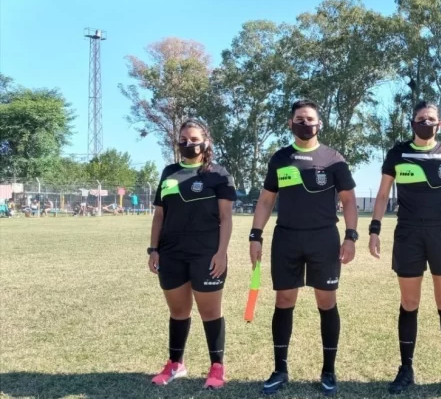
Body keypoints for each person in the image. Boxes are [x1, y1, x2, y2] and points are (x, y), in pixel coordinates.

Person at [250, 100, 358, 396]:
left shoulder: (333, 159)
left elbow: (348, 200)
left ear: (319, 123)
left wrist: (350, 236)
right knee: (284, 301)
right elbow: (265, 200)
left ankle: (328, 371)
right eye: (299, 119)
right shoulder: (280, 158)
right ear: (290, 123)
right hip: (287, 238)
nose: (305, 123)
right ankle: (280, 369)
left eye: (310, 119)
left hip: (324, 239)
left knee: (326, 303)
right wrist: (255, 236)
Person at [368, 101, 441, 397]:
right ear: (412, 122)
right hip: (408, 234)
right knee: (409, 303)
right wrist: (374, 230)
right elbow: (382, 193)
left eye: (431, 119)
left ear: (439, 123)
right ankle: (406, 369)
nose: (425, 122)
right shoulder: (398, 153)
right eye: (420, 118)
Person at [147, 119, 236, 390]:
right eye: (183, 139)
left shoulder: (218, 174)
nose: (188, 144)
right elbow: (159, 215)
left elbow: (226, 217)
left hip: (206, 255)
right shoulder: (169, 173)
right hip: (171, 255)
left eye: (194, 139)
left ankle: (217, 368)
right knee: (178, 311)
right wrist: (153, 249)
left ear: (205, 142)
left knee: (210, 311)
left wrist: (221, 253)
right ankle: (176, 363)